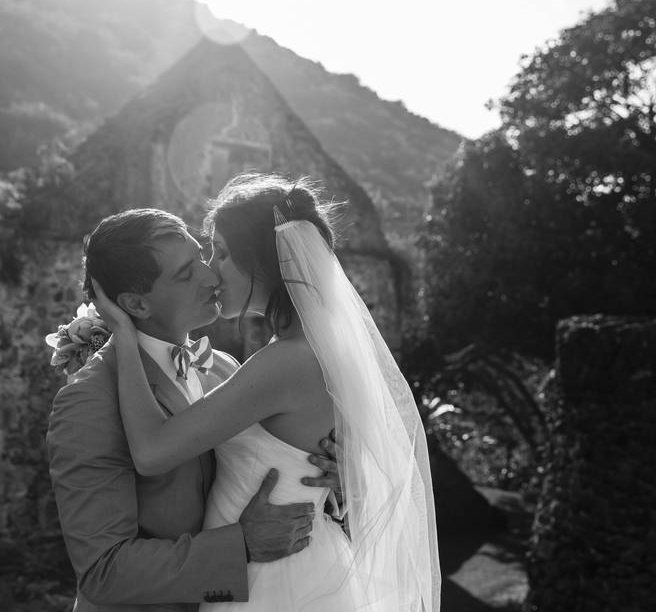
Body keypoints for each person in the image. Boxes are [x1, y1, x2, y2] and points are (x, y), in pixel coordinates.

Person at [93, 174, 440, 611]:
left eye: (220, 253)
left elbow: (152, 452)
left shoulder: (286, 362)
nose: (210, 271)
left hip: (272, 582)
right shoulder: (301, 352)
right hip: (272, 568)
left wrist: (123, 336)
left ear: (262, 261)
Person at [46, 207, 342, 611]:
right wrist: (240, 546)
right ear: (136, 303)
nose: (210, 276)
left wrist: (325, 472)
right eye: (186, 274)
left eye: (202, 256)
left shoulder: (223, 367)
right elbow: (104, 571)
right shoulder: (88, 401)